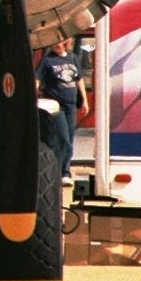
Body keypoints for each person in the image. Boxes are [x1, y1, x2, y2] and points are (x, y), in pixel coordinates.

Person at [36, 39, 87, 182]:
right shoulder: (47, 60)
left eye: (59, 43)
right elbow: (37, 78)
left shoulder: (72, 58)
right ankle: (59, 171)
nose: (57, 46)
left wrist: (84, 99)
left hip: (71, 105)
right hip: (56, 105)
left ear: (66, 43)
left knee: (70, 138)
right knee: (63, 138)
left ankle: (65, 170)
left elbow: (79, 79)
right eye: (54, 44)